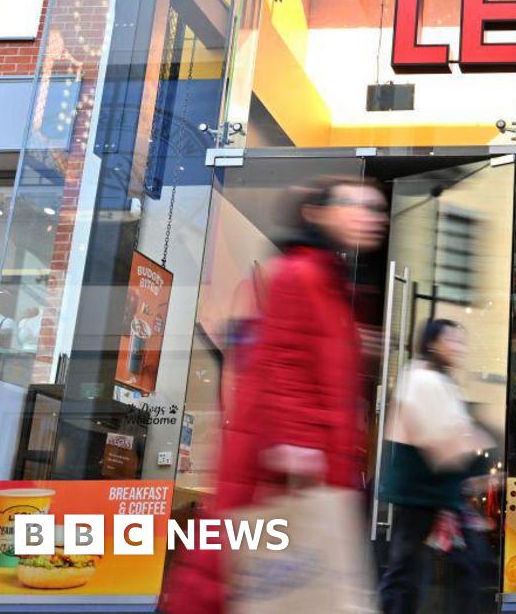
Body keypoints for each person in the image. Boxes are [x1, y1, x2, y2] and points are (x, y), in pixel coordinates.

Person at [159, 176, 387, 614]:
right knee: (245, 581)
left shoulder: (333, 287)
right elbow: (279, 359)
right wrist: (297, 443)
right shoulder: (300, 275)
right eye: (355, 204)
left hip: (310, 468)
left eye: (375, 208)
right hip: (285, 469)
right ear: (316, 214)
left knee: (270, 584)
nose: (370, 216)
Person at [379, 319, 496, 614]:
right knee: (410, 573)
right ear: (432, 343)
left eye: (461, 341)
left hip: (437, 496)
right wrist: (479, 465)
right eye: (451, 340)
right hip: (423, 494)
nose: (458, 347)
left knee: (448, 570)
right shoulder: (422, 379)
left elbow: (453, 436)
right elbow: (443, 441)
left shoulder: (439, 381)